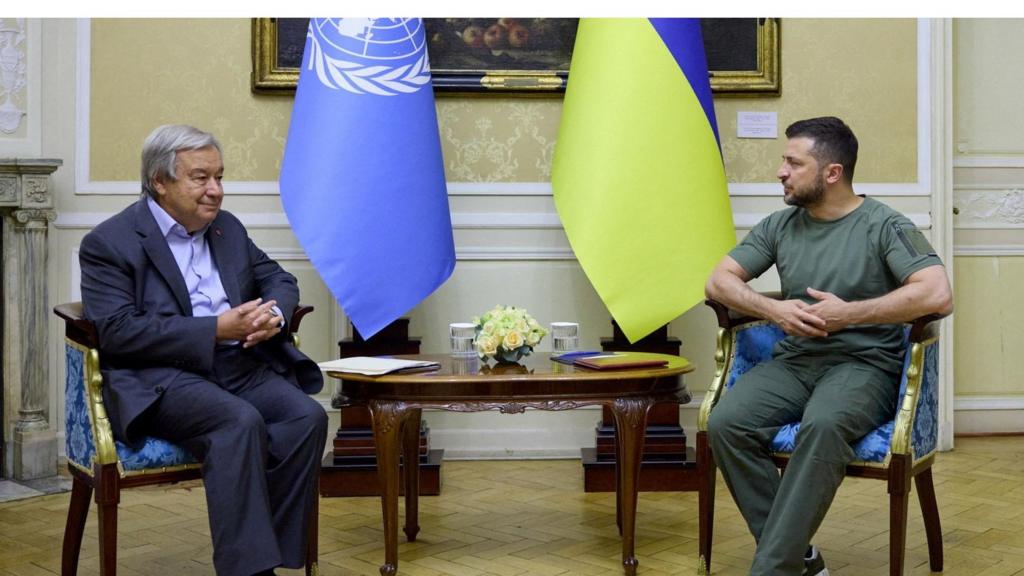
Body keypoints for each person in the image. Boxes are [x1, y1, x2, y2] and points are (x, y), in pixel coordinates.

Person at [704, 116, 953, 576]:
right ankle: (797, 557)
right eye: (784, 160)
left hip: (864, 367)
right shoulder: (780, 225)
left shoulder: (884, 225)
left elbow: (937, 293)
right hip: (797, 361)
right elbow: (718, 281)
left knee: (823, 425)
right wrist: (774, 311)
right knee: (727, 423)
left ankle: (772, 569)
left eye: (793, 162)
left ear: (832, 173)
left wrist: (850, 313)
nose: (781, 171)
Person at [79, 124, 328, 576]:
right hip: (162, 377)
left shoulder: (225, 229)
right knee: (238, 421)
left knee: (305, 417)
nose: (215, 190)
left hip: (237, 365)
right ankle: (251, 571)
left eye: (219, 176)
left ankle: (271, 554)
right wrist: (213, 329)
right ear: (160, 182)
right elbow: (117, 332)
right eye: (200, 177)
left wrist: (272, 315)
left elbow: (279, 280)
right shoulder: (109, 243)